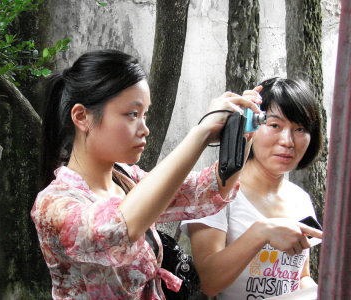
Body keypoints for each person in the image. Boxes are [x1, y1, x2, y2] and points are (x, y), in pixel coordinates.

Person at [30, 49, 271, 299]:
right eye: (132, 114)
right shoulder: (53, 204)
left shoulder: (127, 179)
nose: (144, 129)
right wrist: (200, 132)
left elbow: (206, 190)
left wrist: (243, 131)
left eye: (145, 115)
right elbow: (116, 227)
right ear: (82, 117)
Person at [181, 77, 324, 299]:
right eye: (275, 125)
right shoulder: (218, 190)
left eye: (300, 129)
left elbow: (300, 276)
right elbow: (208, 282)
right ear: (251, 124)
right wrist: (261, 232)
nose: (288, 141)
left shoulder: (300, 199)